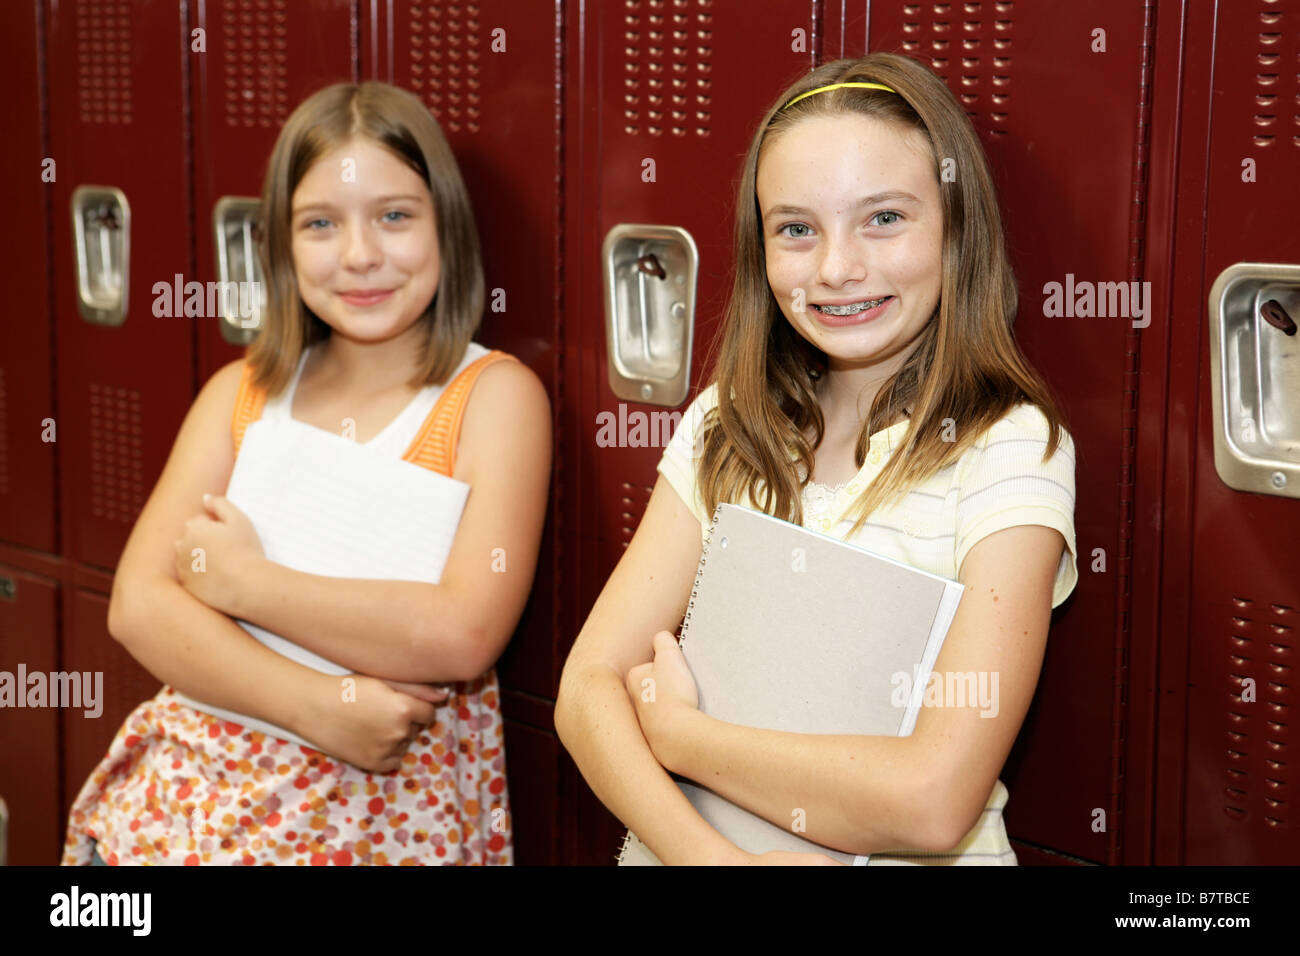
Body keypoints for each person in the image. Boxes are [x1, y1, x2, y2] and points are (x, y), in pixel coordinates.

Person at [555, 52, 1077, 865]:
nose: (837, 268)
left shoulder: (1007, 450)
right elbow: (586, 693)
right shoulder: (728, 422)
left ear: (957, 228)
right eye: (797, 229)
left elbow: (934, 802)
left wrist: (683, 737)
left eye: (884, 219)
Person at [62, 81, 551, 865]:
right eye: (320, 224)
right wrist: (322, 705)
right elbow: (138, 605)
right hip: (181, 818)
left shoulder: (491, 399)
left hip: (373, 831)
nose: (359, 255)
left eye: (395, 216)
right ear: (281, 246)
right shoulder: (244, 392)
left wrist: (243, 584)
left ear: (446, 227)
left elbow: (462, 632)